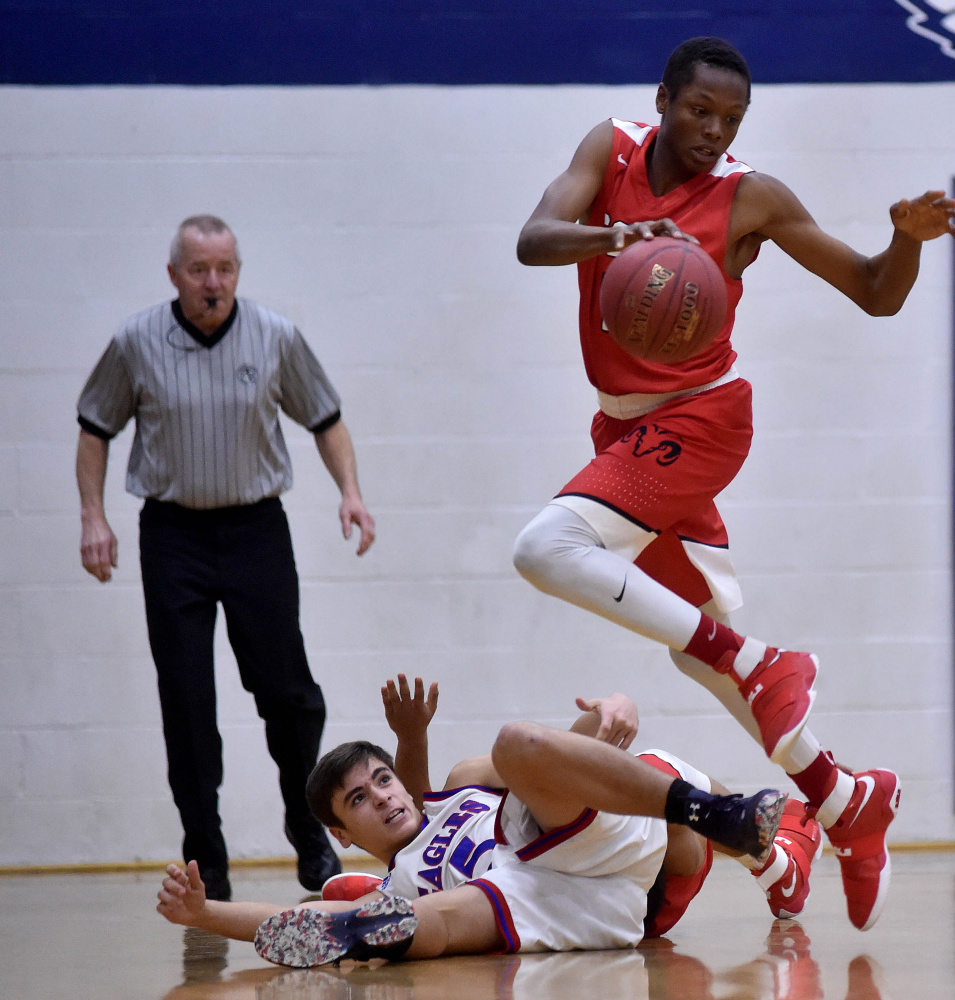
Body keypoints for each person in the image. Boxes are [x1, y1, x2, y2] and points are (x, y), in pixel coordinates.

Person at [510, 36, 955, 932]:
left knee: (545, 549)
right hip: (628, 427)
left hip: (702, 420)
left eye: (730, 119)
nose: (713, 132)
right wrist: (617, 233)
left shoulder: (750, 197)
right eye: (699, 112)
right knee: (689, 646)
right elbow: (531, 241)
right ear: (663, 99)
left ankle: (759, 664)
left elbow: (875, 292)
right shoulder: (610, 148)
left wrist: (903, 242)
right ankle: (840, 804)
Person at [77, 215, 376, 901]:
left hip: (255, 530)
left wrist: (351, 494)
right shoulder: (135, 341)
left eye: (225, 269)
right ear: (174, 274)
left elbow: (325, 420)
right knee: (186, 701)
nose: (213, 283)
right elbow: (95, 428)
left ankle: (308, 832)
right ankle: (205, 859)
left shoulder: (274, 336)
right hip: (173, 534)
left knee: (290, 696)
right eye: (198, 270)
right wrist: (93, 516)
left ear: (238, 271)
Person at [156, 675, 823, 966]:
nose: (382, 797)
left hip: (581, 843)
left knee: (527, 749)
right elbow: (286, 920)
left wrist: (607, 712)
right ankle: (367, 937)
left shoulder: (455, 787)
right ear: (341, 835)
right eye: (357, 800)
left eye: (382, 779)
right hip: (555, 897)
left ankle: (757, 846)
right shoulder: (401, 881)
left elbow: (558, 757)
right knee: (430, 914)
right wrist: (204, 914)